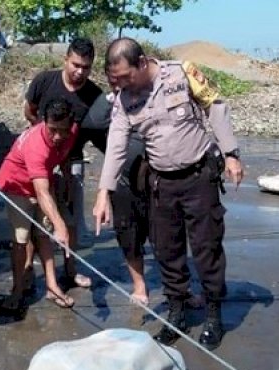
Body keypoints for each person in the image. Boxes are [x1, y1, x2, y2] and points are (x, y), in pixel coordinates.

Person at [93, 38, 244, 351]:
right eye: (114, 79)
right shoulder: (123, 99)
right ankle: (177, 313)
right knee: (167, 251)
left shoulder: (182, 73)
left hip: (199, 177)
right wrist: (103, 192)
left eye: (124, 76)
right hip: (161, 184)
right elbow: (117, 146)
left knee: (206, 248)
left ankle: (214, 315)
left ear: (142, 62)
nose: (119, 84)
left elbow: (214, 105)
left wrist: (231, 153)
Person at [23, 37, 101, 290]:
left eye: (86, 67)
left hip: (73, 160)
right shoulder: (45, 81)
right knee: (36, 214)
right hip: (41, 158)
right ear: (65, 59)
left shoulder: (93, 95)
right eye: (75, 64)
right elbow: (29, 110)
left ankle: (71, 270)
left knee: (71, 219)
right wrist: (42, 139)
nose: (80, 71)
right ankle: (29, 273)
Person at [0, 98, 78, 312]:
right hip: (17, 185)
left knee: (44, 234)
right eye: (53, 130)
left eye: (64, 130)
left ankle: (52, 286)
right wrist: (61, 226)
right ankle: (17, 290)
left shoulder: (71, 131)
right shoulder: (36, 145)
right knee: (21, 238)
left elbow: (64, 156)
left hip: (44, 180)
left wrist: (67, 179)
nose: (58, 136)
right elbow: (41, 192)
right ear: (44, 121)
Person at [82, 73, 150, 304]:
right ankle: (139, 285)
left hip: (155, 178)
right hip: (122, 181)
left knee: (166, 235)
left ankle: (180, 289)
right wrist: (113, 96)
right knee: (128, 234)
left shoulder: (149, 96)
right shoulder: (111, 101)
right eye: (114, 81)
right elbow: (92, 123)